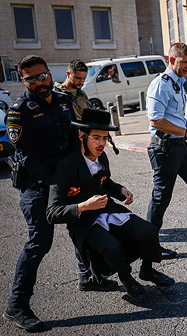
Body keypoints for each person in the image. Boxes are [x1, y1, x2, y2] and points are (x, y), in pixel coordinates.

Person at [46, 108, 175, 303]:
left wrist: (120, 190)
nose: (102, 144)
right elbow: (52, 213)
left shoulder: (101, 157)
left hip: (107, 209)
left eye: (105, 138)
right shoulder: (67, 165)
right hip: (84, 221)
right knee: (112, 247)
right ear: (83, 137)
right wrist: (83, 206)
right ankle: (127, 279)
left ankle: (147, 271)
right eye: (96, 138)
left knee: (149, 231)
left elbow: (106, 182)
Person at [2, 55, 81, 332]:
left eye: (43, 75)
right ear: (23, 80)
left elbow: (73, 141)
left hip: (62, 179)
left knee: (84, 222)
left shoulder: (62, 100)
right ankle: (16, 305)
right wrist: (54, 184)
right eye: (32, 78)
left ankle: (90, 277)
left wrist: (74, 175)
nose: (40, 82)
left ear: (50, 73)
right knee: (40, 244)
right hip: (37, 185)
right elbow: (26, 156)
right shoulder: (18, 111)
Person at [146, 42, 187, 259]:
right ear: (172, 60)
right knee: (161, 198)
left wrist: (185, 134)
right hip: (165, 148)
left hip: (179, 145)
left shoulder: (178, 83)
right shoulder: (161, 84)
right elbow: (156, 120)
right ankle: (149, 244)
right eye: (184, 62)